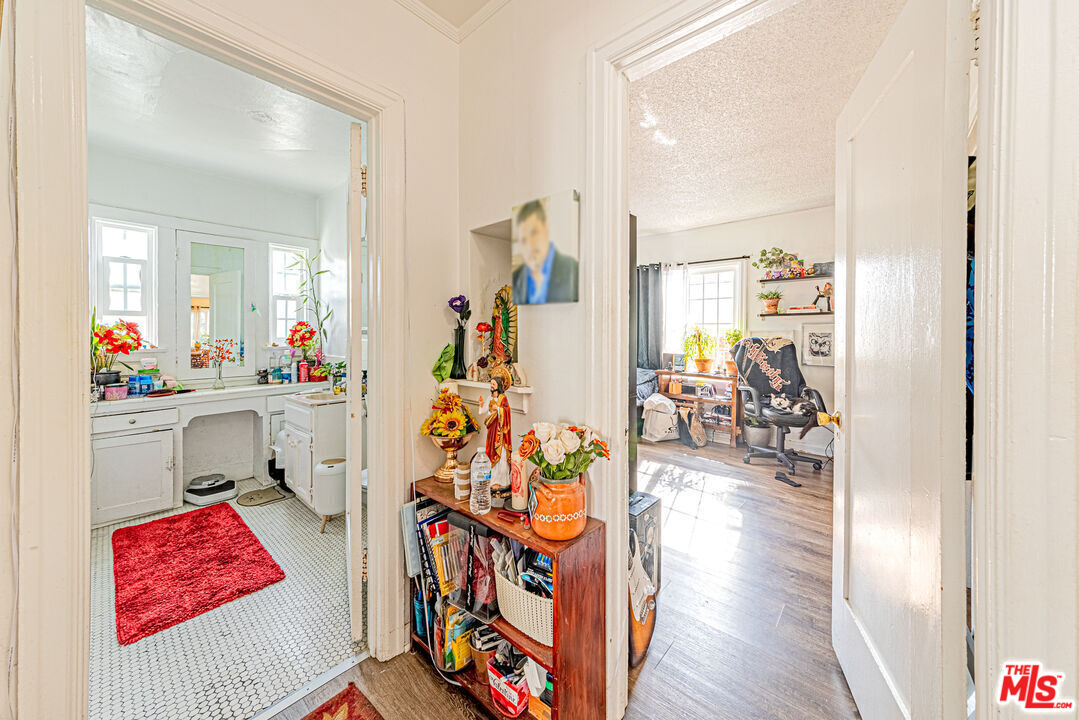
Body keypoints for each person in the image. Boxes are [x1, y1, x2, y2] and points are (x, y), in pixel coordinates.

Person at [512, 199, 578, 304]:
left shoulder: (573, 269)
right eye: (524, 240)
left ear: (546, 227)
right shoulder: (515, 278)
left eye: (534, 233)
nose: (529, 246)